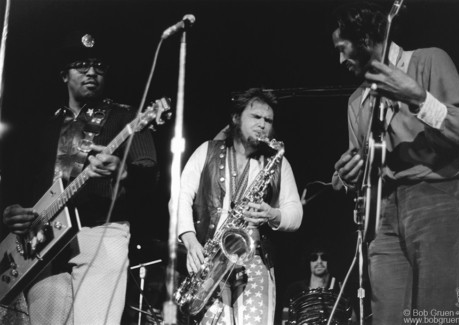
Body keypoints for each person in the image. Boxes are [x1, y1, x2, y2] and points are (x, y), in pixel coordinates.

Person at [330, 2, 459, 324]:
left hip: (436, 195)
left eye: (343, 49)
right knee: (387, 316)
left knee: (437, 313)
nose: (340, 60)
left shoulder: (429, 60)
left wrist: (419, 97)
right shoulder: (356, 101)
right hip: (383, 214)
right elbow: (364, 160)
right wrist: (347, 175)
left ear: (366, 39)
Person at [1, 30, 157, 324]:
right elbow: (15, 183)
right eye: (81, 65)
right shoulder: (44, 127)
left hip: (101, 233)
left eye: (99, 66)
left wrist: (123, 171)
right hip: (45, 244)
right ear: (64, 75)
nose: (91, 72)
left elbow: (149, 174)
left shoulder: (126, 117)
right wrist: (9, 210)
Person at [175, 88, 303, 325]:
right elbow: (180, 197)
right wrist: (190, 239)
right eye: (256, 117)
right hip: (210, 261)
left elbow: (295, 213)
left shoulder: (277, 162)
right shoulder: (207, 151)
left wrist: (273, 214)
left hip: (255, 261)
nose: (263, 125)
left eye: (268, 120)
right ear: (236, 118)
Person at [282, 249, 338, 323]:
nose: (319, 261)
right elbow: (284, 319)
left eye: (324, 257)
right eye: (314, 258)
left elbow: (352, 319)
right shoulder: (294, 290)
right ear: (308, 262)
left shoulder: (338, 290)